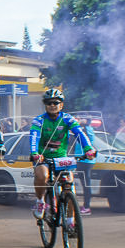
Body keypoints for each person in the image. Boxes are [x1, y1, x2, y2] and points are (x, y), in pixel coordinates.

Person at [29, 88, 95, 227]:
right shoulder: (39, 120)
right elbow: (34, 137)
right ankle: (40, 202)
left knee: (69, 187)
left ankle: (70, 222)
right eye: (49, 102)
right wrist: (35, 153)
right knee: (42, 175)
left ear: (61, 105)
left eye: (56, 102)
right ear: (45, 105)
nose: (52, 105)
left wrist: (88, 149)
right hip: (43, 158)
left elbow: (80, 134)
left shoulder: (67, 119)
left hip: (61, 159)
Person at [72, 116, 97, 215]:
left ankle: (87, 207)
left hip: (84, 160)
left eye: (82, 119)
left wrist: (78, 121)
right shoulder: (89, 129)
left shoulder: (86, 130)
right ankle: (85, 206)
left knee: (86, 184)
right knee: (85, 183)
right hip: (85, 160)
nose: (80, 120)